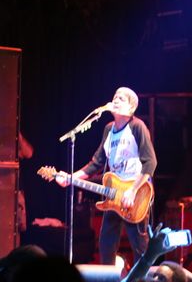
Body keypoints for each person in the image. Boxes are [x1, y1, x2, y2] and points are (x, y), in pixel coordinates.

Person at [58, 87, 156, 267]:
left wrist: (133, 191)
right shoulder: (109, 130)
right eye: (115, 97)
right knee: (106, 245)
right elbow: (96, 163)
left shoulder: (137, 127)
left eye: (121, 99)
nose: (115, 100)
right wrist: (70, 177)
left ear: (131, 107)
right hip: (114, 194)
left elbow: (150, 162)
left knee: (140, 248)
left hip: (135, 194)